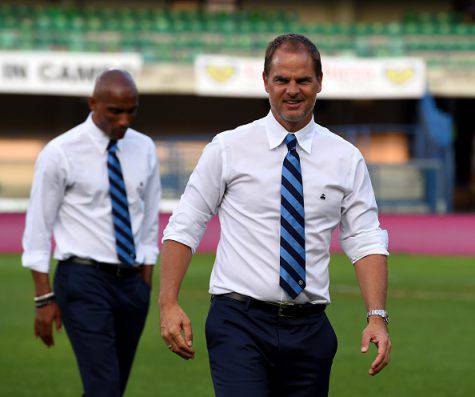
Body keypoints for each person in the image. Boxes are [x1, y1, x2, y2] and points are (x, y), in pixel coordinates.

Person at [159, 34, 390, 397]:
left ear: (319, 83)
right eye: (282, 80)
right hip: (239, 323)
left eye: (303, 80)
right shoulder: (228, 148)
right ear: (265, 81)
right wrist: (168, 303)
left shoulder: (346, 158)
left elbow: (365, 239)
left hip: (310, 330)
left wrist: (377, 316)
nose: (292, 90)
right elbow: (186, 224)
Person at [22, 69, 161, 397]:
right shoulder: (60, 152)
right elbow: (38, 228)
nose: (124, 120)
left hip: (132, 285)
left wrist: (145, 282)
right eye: (115, 111)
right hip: (83, 280)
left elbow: (149, 221)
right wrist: (44, 298)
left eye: (132, 111)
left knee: (113, 387)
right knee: (104, 387)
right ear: (93, 104)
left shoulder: (144, 148)